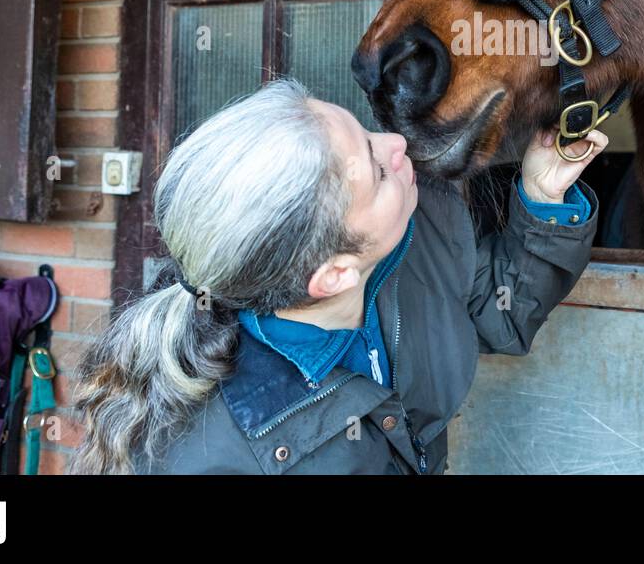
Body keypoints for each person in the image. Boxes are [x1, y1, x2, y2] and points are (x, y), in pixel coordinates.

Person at [70, 76, 606, 474]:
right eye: (374, 170)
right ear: (332, 276)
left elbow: (497, 315)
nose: (397, 145)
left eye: (365, 133)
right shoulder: (218, 457)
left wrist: (544, 196)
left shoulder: (412, 235)